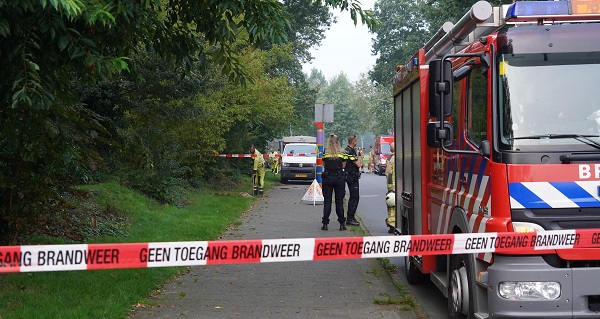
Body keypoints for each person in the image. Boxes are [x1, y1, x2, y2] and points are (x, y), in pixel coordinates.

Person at [321, 134, 348, 231]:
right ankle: (342, 224)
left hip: (327, 178)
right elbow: (344, 165)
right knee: (339, 202)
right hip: (339, 178)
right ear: (338, 141)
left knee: (327, 202)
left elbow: (324, 164)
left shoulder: (325, 152)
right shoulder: (342, 152)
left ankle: (325, 224)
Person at [345, 135, 361, 226]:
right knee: (355, 197)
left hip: (349, 175)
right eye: (356, 140)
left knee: (353, 197)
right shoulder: (351, 152)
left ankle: (351, 217)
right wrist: (359, 155)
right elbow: (358, 164)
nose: (357, 142)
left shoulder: (346, 150)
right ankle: (350, 218)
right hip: (352, 176)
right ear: (353, 141)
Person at [385, 142, 396, 233]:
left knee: (391, 205)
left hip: (393, 186)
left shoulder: (390, 158)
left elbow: (388, 173)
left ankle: (392, 225)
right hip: (403, 185)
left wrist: (390, 187)